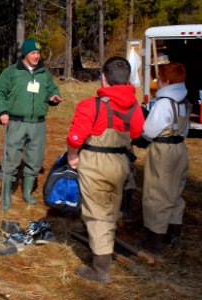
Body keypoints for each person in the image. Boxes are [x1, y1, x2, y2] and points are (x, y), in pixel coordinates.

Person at [66, 56, 145, 283]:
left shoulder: (91, 105)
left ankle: (100, 270)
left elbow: (74, 137)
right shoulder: (134, 107)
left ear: (103, 77)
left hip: (95, 165)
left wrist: (73, 156)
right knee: (110, 210)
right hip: (121, 164)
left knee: (97, 214)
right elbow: (137, 133)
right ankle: (104, 248)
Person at [0, 38, 63, 210]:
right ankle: (6, 194)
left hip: (38, 124)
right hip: (16, 122)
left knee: (35, 160)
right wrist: (2, 112)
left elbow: (52, 90)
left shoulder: (44, 73)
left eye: (38, 53)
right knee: (11, 160)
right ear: (25, 54)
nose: (36, 56)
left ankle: (27, 193)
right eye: (33, 52)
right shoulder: (11, 72)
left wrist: (53, 97)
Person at [139, 62, 189, 255]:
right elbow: (186, 129)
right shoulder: (184, 101)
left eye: (159, 79)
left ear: (166, 81)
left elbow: (149, 131)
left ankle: (154, 241)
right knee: (175, 191)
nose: (157, 82)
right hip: (180, 149)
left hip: (163, 150)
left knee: (156, 193)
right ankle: (173, 235)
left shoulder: (163, 103)